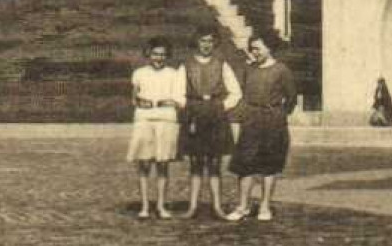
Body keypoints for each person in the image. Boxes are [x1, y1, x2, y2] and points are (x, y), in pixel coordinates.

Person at [226, 34, 298, 223]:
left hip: (273, 121)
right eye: (252, 48)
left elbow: (291, 98)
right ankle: (243, 206)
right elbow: (239, 93)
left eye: (258, 48)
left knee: (269, 166)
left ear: (269, 48)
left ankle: (265, 206)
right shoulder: (248, 70)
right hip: (250, 119)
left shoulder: (282, 70)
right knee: (245, 164)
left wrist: (278, 114)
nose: (255, 52)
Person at [181, 29, 242, 218]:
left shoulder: (222, 64)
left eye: (210, 41)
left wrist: (222, 106)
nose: (206, 44)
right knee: (196, 163)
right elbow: (176, 92)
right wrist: (191, 107)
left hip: (216, 116)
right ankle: (192, 207)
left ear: (214, 43)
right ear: (196, 42)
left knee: (215, 163)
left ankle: (217, 206)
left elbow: (236, 92)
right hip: (195, 116)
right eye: (202, 41)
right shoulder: (186, 65)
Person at [127, 37, 185, 220]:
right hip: (144, 120)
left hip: (166, 120)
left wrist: (171, 102)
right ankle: (144, 206)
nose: (158, 58)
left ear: (167, 56)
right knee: (143, 163)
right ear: (148, 54)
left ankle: (161, 205)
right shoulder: (139, 73)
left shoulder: (174, 73)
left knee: (163, 164)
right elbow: (133, 98)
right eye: (155, 54)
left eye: (162, 54)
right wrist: (139, 102)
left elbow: (181, 100)